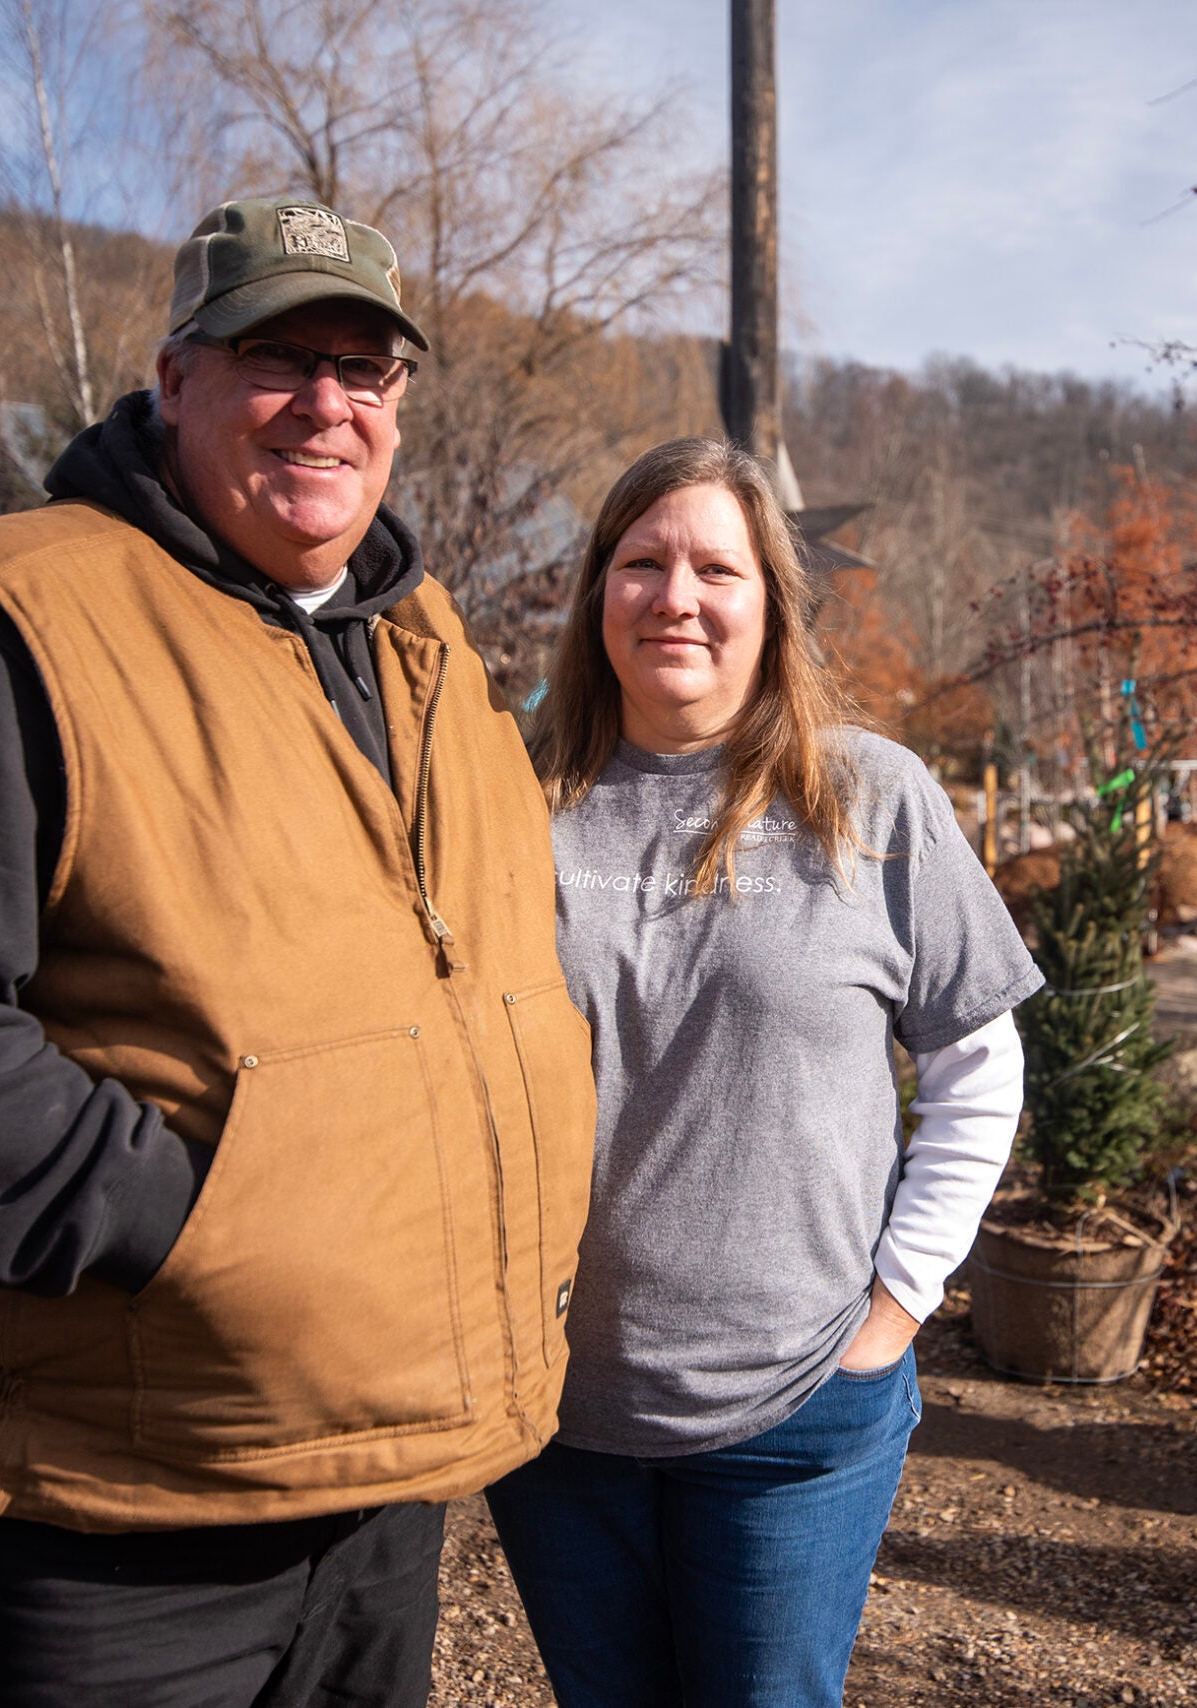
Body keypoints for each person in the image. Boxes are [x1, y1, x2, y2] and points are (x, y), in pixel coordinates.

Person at [0, 198, 595, 1708]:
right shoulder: (7, 618)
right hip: (129, 1503)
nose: (327, 402)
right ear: (173, 375)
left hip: (391, 1480)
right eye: (278, 355)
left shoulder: (430, 643)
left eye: (368, 368)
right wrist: (180, 1221)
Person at [488, 437, 1041, 1706]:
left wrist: (898, 1301)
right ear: (595, 597)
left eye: (714, 567)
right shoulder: (520, 801)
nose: (675, 595)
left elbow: (978, 1059)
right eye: (640, 562)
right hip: (557, 1411)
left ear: (770, 605)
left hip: (795, 1402)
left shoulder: (867, 797)